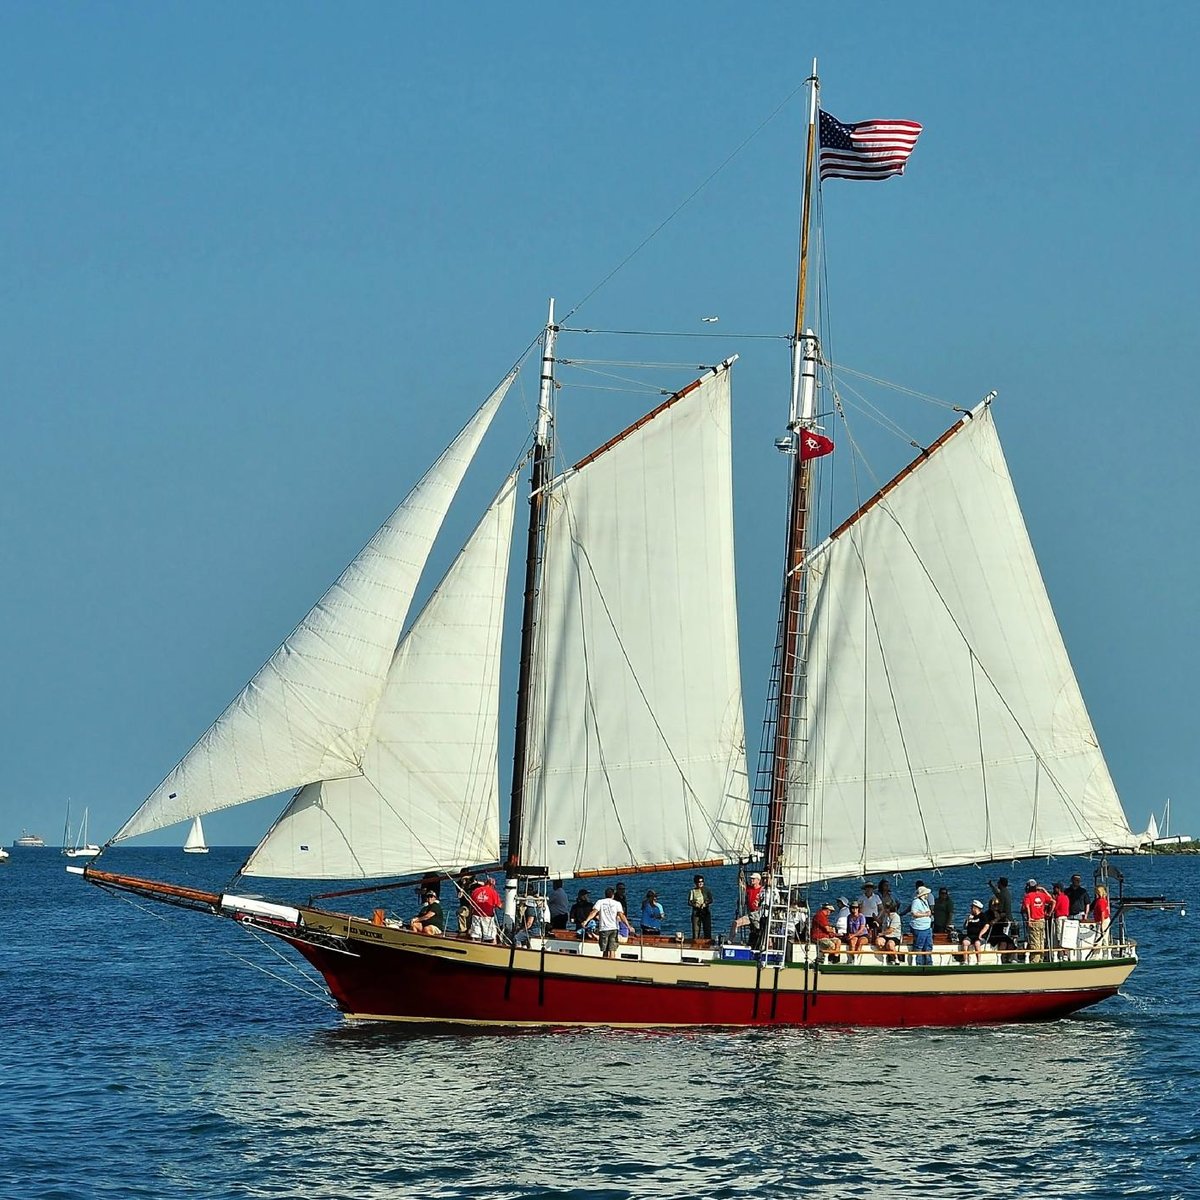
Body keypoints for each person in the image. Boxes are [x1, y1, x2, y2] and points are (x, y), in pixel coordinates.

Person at [584, 886, 627, 959]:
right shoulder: (617, 903)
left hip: (604, 928)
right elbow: (621, 915)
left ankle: (605, 963)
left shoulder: (600, 902)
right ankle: (612, 963)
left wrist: (586, 921)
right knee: (612, 949)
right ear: (613, 895)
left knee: (605, 950)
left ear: (605, 894)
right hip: (614, 928)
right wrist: (628, 926)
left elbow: (593, 912)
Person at [1021, 879, 1053, 962]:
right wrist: (1049, 913)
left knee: (1034, 940)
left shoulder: (1028, 896)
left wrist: (1029, 918)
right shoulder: (1042, 895)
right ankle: (1041, 958)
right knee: (1041, 939)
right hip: (1042, 920)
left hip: (1034, 920)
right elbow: (1052, 900)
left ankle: (1035, 960)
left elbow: (1027, 906)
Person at [468, 875, 502, 943]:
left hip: (476, 915)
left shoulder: (475, 891)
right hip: (487, 916)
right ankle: (493, 949)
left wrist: (470, 916)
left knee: (476, 936)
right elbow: (499, 906)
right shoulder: (493, 892)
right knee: (491, 936)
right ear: (492, 885)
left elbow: (471, 905)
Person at [958, 899, 991, 964]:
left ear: (976, 908)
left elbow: (986, 926)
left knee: (977, 943)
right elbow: (965, 927)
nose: (971, 909)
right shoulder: (970, 916)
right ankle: (965, 961)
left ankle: (978, 961)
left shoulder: (983, 916)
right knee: (965, 942)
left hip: (979, 936)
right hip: (970, 936)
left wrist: (980, 934)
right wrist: (967, 920)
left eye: (972, 907)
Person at [909, 884, 934, 966]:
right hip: (920, 927)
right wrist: (925, 914)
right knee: (919, 946)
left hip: (927, 927)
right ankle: (919, 963)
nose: (927, 895)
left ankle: (929, 963)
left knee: (928, 946)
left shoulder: (925, 901)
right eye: (926, 894)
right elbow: (914, 913)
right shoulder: (916, 902)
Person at [688, 874, 714, 941]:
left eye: (702, 881)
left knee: (707, 929)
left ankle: (708, 944)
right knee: (696, 931)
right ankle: (695, 944)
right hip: (696, 913)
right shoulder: (692, 891)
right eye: (699, 882)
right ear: (695, 883)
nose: (701, 883)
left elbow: (711, 900)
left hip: (706, 912)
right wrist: (695, 905)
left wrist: (705, 903)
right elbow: (689, 902)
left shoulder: (707, 890)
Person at [1051, 883, 1070, 958]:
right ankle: (1064, 954)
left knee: (1059, 935)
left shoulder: (1059, 898)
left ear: (1058, 889)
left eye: (1055, 888)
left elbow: (1055, 907)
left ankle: (1061, 954)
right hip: (1065, 917)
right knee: (1064, 935)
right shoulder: (1066, 897)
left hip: (1060, 918)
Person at [455, 868, 476, 935]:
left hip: (473, 904)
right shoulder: (459, 883)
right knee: (460, 912)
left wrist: (469, 880)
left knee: (471, 918)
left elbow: (481, 884)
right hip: (464, 904)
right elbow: (459, 895)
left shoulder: (472, 882)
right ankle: (462, 929)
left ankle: (470, 930)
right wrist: (463, 884)